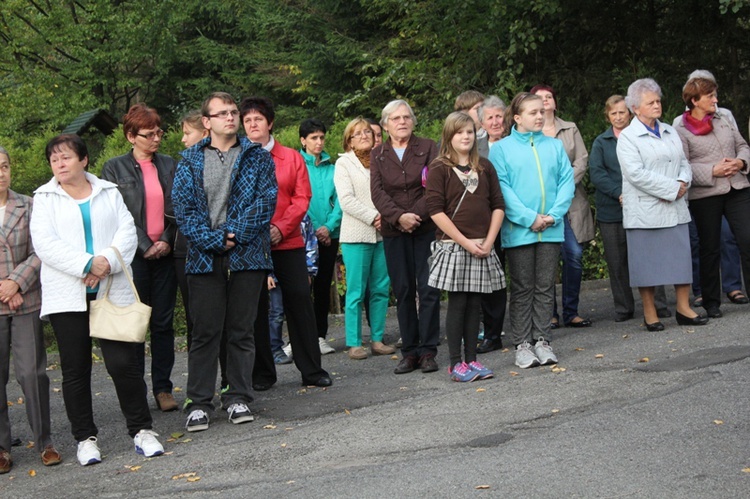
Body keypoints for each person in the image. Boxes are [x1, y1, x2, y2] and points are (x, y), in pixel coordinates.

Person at [30, 134, 164, 465]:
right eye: (54, 160)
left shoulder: (108, 191)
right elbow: (45, 244)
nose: (59, 164)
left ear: (84, 160)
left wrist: (105, 262)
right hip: (67, 295)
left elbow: (127, 232)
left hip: (110, 287)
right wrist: (87, 265)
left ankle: (141, 430)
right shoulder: (45, 198)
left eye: (65, 158)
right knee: (76, 369)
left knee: (123, 364)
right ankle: (85, 439)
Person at [172, 92, 277, 432]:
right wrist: (216, 240)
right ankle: (199, 402)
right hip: (204, 257)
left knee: (241, 331)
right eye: (222, 114)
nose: (231, 118)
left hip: (247, 256)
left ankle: (237, 397)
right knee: (205, 331)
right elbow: (184, 210)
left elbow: (265, 202)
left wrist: (235, 235)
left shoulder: (257, 156)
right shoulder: (189, 160)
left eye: (234, 112)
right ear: (207, 121)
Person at [240, 96, 332, 389]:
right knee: (255, 309)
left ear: (270, 123)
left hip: (288, 240)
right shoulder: (238, 156)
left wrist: (281, 227)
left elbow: (301, 197)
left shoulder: (291, 157)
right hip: (252, 244)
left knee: (299, 303)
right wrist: (256, 230)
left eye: (258, 119)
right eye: (247, 120)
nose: (253, 124)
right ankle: (262, 374)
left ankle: (312, 371)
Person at [101, 104, 179, 412]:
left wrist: (166, 241)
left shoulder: (170, 164)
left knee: (162, 324)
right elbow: (116, 214)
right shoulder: (114, 168)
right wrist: (145, 244)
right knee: (134, 325)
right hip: (133, 257)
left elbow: (180, 207)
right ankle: (136, 393)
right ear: (131, 136)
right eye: (149, 134)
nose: (157, 138)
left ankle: (163, 388)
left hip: (167, 252)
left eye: (160, 132)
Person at [489, 93, 574, 369]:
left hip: (551, 228)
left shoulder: (554, 146)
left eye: (541, 111)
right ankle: (523, 344)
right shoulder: (501, 149)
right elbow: (503, 189)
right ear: (517, 118)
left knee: (545, 285)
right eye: (533, 112)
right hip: (520, 230)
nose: (540, 116)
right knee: (523, 287)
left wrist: (552, 216)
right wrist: (529, 218)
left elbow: (566, 182)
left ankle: (543, 340)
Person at [616, 78, 708, 330]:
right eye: (651, 102)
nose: (657, 105)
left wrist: (683, 181)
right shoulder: (628, 138)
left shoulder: (669, 130)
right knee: (646, 263)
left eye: (658, 100)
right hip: (646, 210)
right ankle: (650, 312)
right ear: (636, 107)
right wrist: (671, 188)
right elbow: (635, 174)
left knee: (680, 259)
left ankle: (683, 308)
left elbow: (683, 163)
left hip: (675, 206)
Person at [425, 112, 505, 381]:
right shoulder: (439, 168)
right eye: (460, 132)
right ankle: (455, 363)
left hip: (483, 244)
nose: (466, 136)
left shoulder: (484, 166)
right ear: (449, 135)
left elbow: (498, 206)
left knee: (475, 305)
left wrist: (489, 241)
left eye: (470, 131)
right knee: (458, 304)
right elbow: (436, 212)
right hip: (455, 246)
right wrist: (466, 243)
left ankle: (472, 359)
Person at [0, 146, 61, 473]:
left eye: (5, 166)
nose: (1, 173)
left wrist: (16, 283)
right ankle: (2, 447)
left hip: (26, 299)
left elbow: (42, 250)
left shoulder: (29, 205)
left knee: (32, 373)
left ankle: (45, 441)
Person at [370, 100, 441, 374]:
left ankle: (428, 351)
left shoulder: (428, 147)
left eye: (406, 117)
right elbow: (377, 192)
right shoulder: (378, 154)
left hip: (424, 229)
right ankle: (409, 351)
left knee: (428, 289)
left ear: (413, 121)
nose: (402, 122)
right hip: (394, 231)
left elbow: (434, 186)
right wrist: (399, 217)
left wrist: (414, 215)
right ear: (386, 124)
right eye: (396, 118)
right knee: (403, 291)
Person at [673, 74, 750, 318]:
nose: (716, 100)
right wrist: (711, 170)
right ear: (695, 100)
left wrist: (740, 161)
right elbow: (681, 164)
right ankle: (712, 302)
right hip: (705, 193)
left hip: (737, 187)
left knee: (747, 239)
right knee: (709, 247)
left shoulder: (723, 119)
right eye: (710, 96)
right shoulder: (680, 129)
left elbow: (743, 145)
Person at [589, 95, 672, 322]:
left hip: (644, 207)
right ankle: (624, 307)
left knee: (649, 256)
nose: (618, 117)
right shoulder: (601, 142)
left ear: (631, 113)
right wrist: (619, 193)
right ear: (607, 116)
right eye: (613, 113)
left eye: (622, 112)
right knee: (617, 262)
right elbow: (596, 173)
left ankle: (659, 305)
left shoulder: (642, 138)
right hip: (612, 211)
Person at [531, 84, 595, 329]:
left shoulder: (570, 128)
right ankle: (551, 313)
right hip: (542, 205)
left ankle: (571, 311)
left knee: (574, 255)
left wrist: (564, 184)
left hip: (570, 201)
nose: (545, 101)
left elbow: (582, 159)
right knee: (547, 259)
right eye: (540, 98)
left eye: (549, 97)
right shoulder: (528, 131)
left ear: (555, 103)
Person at [333, 117, 395, 360]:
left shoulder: (383, 159)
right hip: (356, 234)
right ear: (349, 139)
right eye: (357, 133)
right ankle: (354, 342)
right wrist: (374, 217)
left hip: (383, 234)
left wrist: (387, 217)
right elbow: (346, 200)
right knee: (356, 291)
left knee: (380, 288)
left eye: (367, 132)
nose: (364, 136)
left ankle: (378, 340)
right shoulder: (343, 163)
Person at [299, 118, 342, 355]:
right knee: (302, 286)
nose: (318, 142)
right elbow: (298, 199)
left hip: (329, 234)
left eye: (321, 137)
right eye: (313, 138)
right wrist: (313, 229)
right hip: (303, 235)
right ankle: (300, 336)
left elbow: (341, 201)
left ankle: (319, 336)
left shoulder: (333, 169)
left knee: (324, 285)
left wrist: (328, 226)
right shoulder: (297, 164)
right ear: (303, 140)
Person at [476, 95, 509, 354]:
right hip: (487, 223)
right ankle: (492, 333)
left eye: (499, 116)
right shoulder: (474, 145)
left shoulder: (517, 141)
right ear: (482, 122)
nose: (496, 121)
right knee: (491, 280)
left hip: (518, 220)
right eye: (490, 117)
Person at [175, 110, 209, 352]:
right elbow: (181, 209)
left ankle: (233, 379)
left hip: (229, 248)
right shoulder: (184, 165)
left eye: (188, 133)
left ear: (206, 133)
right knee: (197, 320)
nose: (183, 140)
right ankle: (200, 386)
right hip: (193, 249)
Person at [454, 91, 488, 158]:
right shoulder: (453, 138)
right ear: (464, 112)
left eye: (483, 107)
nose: (482, 111)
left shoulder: (492, 135)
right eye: (477, 108)